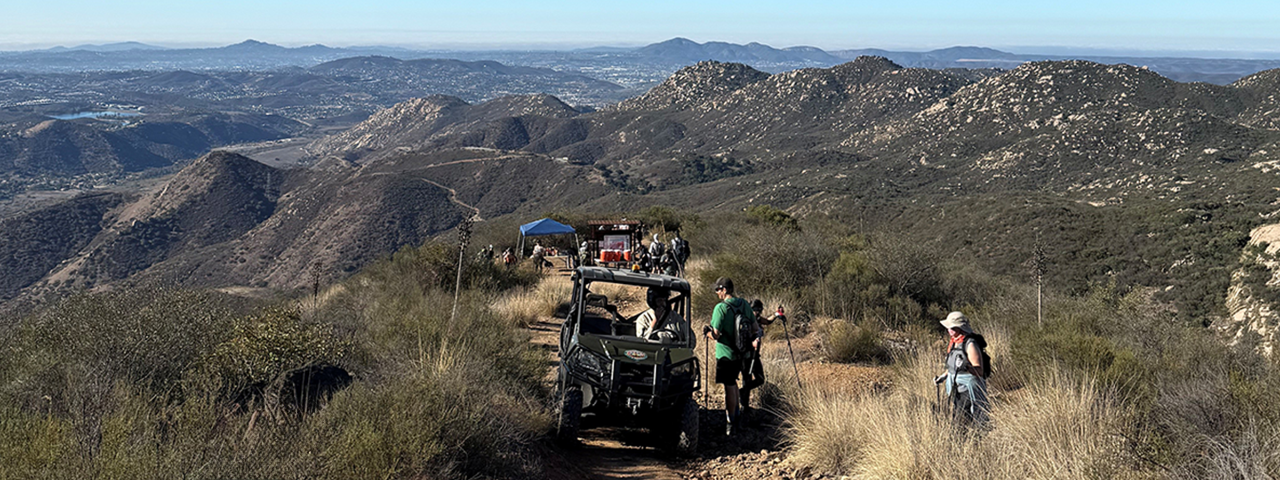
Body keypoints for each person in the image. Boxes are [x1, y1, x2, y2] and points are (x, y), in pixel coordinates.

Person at [703, 277, 753, 436]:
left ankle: (731, 423)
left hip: (726, 354)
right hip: (742, 353)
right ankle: (737, 417)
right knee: (734, 384)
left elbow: (716, 334)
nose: (717, 293)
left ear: (725, 290)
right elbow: (755, 328)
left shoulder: (720, 308)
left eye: (718, 289)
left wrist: (708, 334)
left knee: (729, 386)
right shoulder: (744, 304)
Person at [934, 311, 990, 426]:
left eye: (952, 328)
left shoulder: (970, 344)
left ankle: (970, 441)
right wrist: (943, 377)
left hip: (968, 390)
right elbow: (952, 367)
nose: (949, 330)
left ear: (960, 328)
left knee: (961, 421)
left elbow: (979, 371)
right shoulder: (953, 343)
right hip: (955, 388)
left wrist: (967, 367)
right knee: (958, 418)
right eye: (948, 327)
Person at [739, 299, 782, 420]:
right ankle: (744, 407)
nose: (757, 313)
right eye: (756, 310)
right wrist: (751, 343)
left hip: (755, 356)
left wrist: (776, 315)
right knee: (746, 380)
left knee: (760, 379)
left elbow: (767, 321)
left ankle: (741, 393)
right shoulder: (745, 320)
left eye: (759, 311)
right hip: (746, 356)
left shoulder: (756, 319)